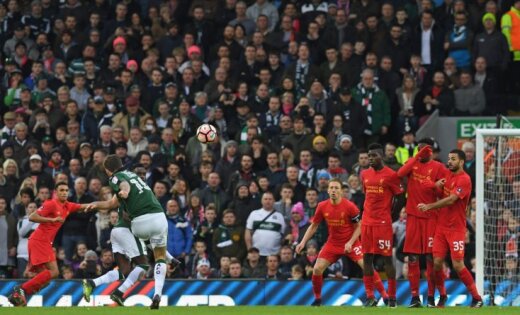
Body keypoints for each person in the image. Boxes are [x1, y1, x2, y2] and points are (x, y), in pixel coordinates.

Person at [85, 155, 169, 309]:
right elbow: (116, 199)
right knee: (154, 260)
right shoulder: (138, 182)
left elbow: (122, 188)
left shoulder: (117, 178)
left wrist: (123, 192)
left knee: (126, 269)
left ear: (108, 170)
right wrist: (96, 204)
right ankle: (157, 294)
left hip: (128, 227)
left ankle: (96, 284)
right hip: (157, 218)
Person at [295, 178, 388, 306]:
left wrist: (350, 242)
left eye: (336, 188)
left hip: (352, 242)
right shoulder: (322, 206)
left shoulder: (350, 206)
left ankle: (383, 296)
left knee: (367, 267)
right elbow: (314, 226)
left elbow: (360, 226)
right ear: (328, 190)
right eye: (331, 188)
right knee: (317, 269)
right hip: (333, 243)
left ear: (341, 191)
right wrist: (302, 242)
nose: (333, 190)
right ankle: (317, 299)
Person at [81, 187, 180, 304]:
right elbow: (150, 240)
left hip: (116, 232)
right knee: (143, 265)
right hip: (126, 231)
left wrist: (170, 259)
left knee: (123, 270)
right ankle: (119, 292)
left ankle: (92, 283)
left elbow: (151, 242)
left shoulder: (129, 197)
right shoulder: (137, 200)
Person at [418, 149, 483, 308]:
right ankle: (443, 295)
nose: (450, 161)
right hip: (441, 227)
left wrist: (429, 206)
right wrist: (435, 186)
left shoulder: (465, 180)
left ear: (461, 162)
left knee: (458, 264)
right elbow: (441, 193)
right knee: (437, 263)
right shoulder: (446, 175)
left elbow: (452, 200)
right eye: (449, 158)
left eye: (453, 159)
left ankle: (477, 298)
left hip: (456, 228)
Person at [7, 182, 89, 306]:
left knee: (46, 280)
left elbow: (88, 205)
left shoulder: (68, 206)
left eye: (66, 190)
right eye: (61, 190)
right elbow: (32, 217)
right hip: (40, 241)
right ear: (55, 192)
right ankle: (21, 289)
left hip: (43, 242)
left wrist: (108, 203)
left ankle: (19, 296)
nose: (64, 192)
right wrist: (52, 219)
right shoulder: (51, 204)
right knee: (54, 272)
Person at [397, 138, 449, 307]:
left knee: (430, 258)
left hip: (431, 217)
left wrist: (434, 186)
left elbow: (444, 196)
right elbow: (399, 174)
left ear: (431, 151)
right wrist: (416, 156)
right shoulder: (412, 164)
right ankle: (414, 297)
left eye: (423, 150)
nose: (420, 153)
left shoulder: (439, 168)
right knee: (412, 257)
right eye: (418, 150)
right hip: (412, 216)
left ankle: (431, 297)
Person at [360, 143, 404, 307]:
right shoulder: (364, 174)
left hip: (383, 223)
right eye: (369, 156)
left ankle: (392, 298)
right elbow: (367, 197)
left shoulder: (391, 175)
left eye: (373, 156)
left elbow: (400, 197)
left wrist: (391, 215)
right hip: (367, 222)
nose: (370, 159)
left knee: (387, 259)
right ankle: (370, 297)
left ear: (381, 156)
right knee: (367, 258)